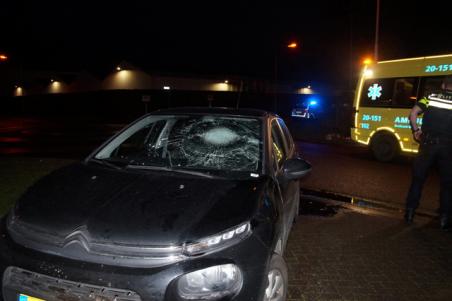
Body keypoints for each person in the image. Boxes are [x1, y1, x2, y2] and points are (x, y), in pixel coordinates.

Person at [404, 76, 452, 230]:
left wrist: (416, 131)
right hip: (448, 147)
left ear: (443, 85)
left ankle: (410, 213)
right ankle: (444, 219)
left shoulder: (430, 96)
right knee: (447, 184)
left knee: (418, 179)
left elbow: (412, 114)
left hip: (427, 144)